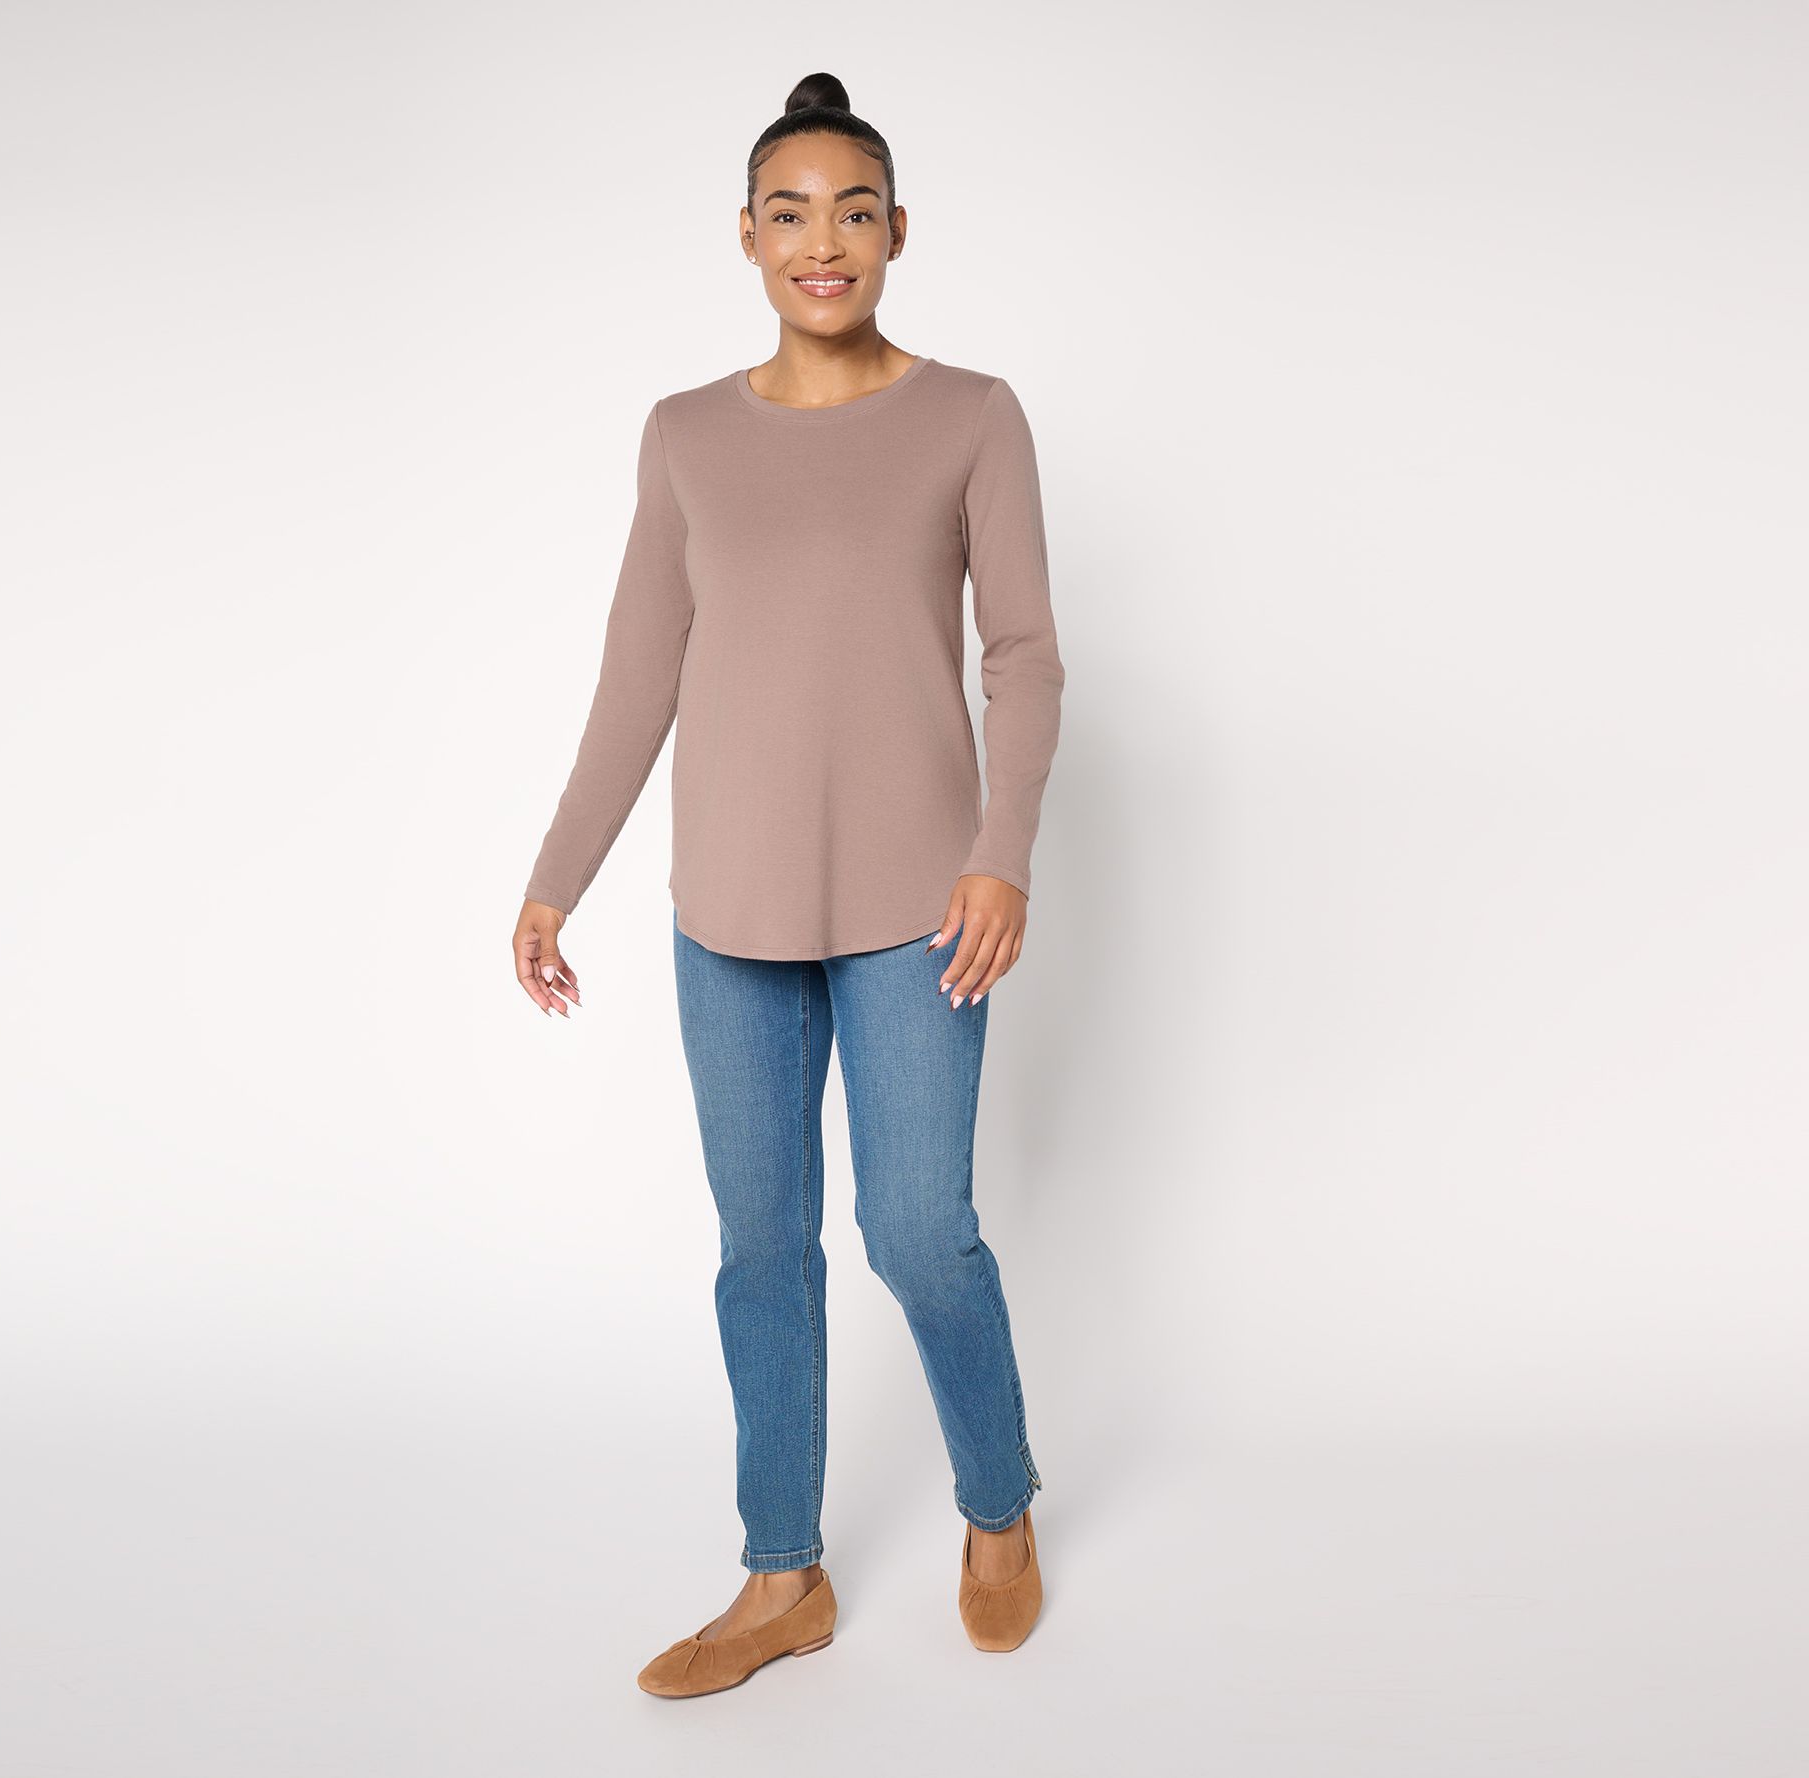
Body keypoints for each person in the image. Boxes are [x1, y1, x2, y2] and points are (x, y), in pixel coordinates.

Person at [514, 71, 1063, 1697]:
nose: (823, 239)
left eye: (853, 210)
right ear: (747, 238)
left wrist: (1002, 853)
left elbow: (1023, 657)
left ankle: (998, 1502)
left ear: (897, 232)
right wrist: (555, 878)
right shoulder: (686, 437)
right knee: (761, 1247)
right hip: (730, 917)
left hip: (922, 909)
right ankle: (783, 1573)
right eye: (790, 212)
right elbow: (638, 675)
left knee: (918, 1231)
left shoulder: (974, 416)